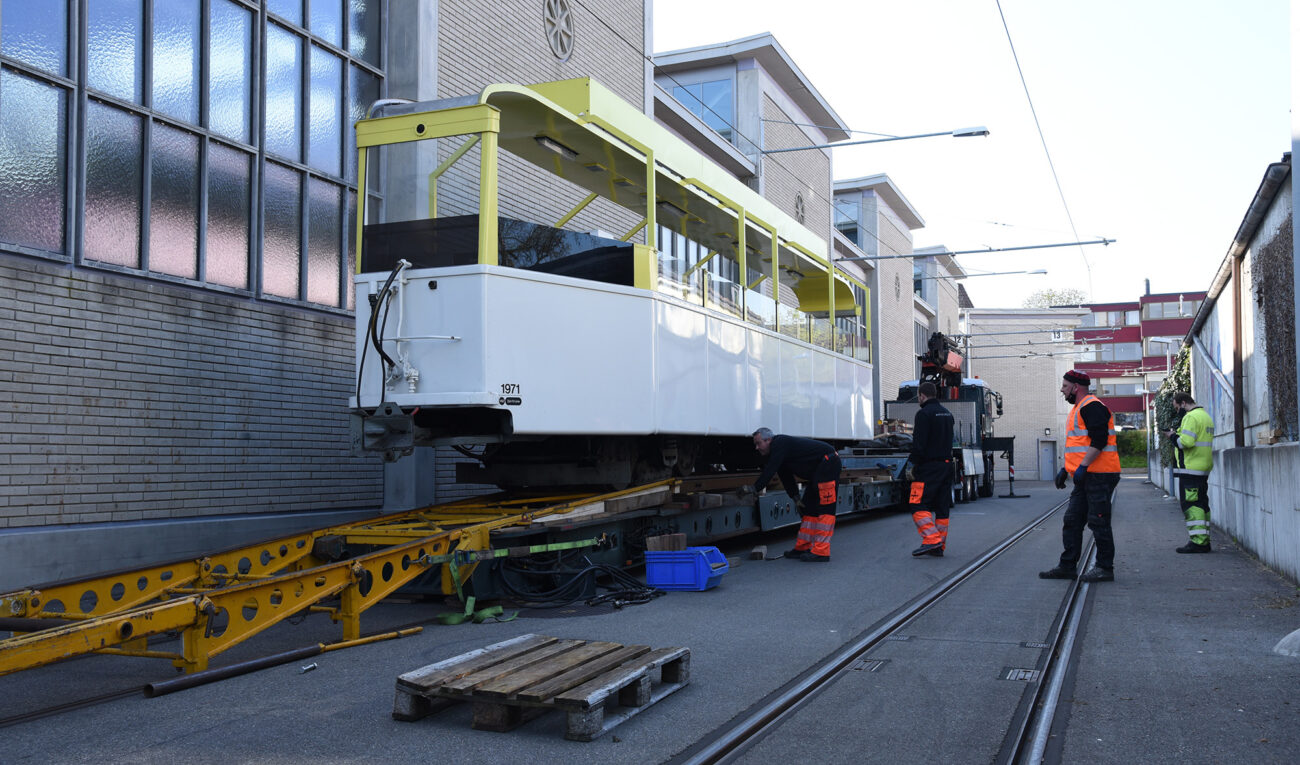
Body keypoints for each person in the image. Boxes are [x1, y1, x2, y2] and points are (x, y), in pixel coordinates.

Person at [1040, 369, 1122, 583]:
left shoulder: (1092, 406)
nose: (1062, 390)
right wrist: (1066, 469)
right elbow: (1079, 446)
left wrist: (1083, 467)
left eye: (1065, 386)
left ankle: (1105, 568)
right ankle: (1067, 566)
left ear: (1076, 388)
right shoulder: (1078, 409)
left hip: (1100, 475)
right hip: (1087, 475)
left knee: (1098, 521)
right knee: (1072, 520)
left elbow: (1099, 440)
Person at [748, 427, 841, 562]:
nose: (757, 447)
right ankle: (802, 547)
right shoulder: (779, 451)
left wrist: (753, 489)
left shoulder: (779, 443)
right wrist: (796, 498)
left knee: (826, 509)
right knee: (808, 508)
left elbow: (770, 470)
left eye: (758, 443)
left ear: (768, 440)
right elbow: (786, 477)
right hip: (819, 469)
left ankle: (822, 552)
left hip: (829, 464)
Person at [908, 382, 955, 557]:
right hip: (946, 465)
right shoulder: (947, 414)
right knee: (942, 507)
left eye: (918, 397)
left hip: (929, 467)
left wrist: (912, 464)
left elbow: (919, 444)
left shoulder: (923, 414)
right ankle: (939, 546)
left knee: (916, 502)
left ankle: (931, 539)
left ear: (922, 395)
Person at [1165, 391, 1214, 553]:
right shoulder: (1205, 416)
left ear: (1183, 403)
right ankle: (1204, 539)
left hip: (1191, 469)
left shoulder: (1191, 417)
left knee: (1192, 505)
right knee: (1202, 504)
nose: (1178, 410)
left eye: (1177, 407)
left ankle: (1198, 542)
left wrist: (1172, 436)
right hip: (1203, 467)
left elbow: (1185, 442)